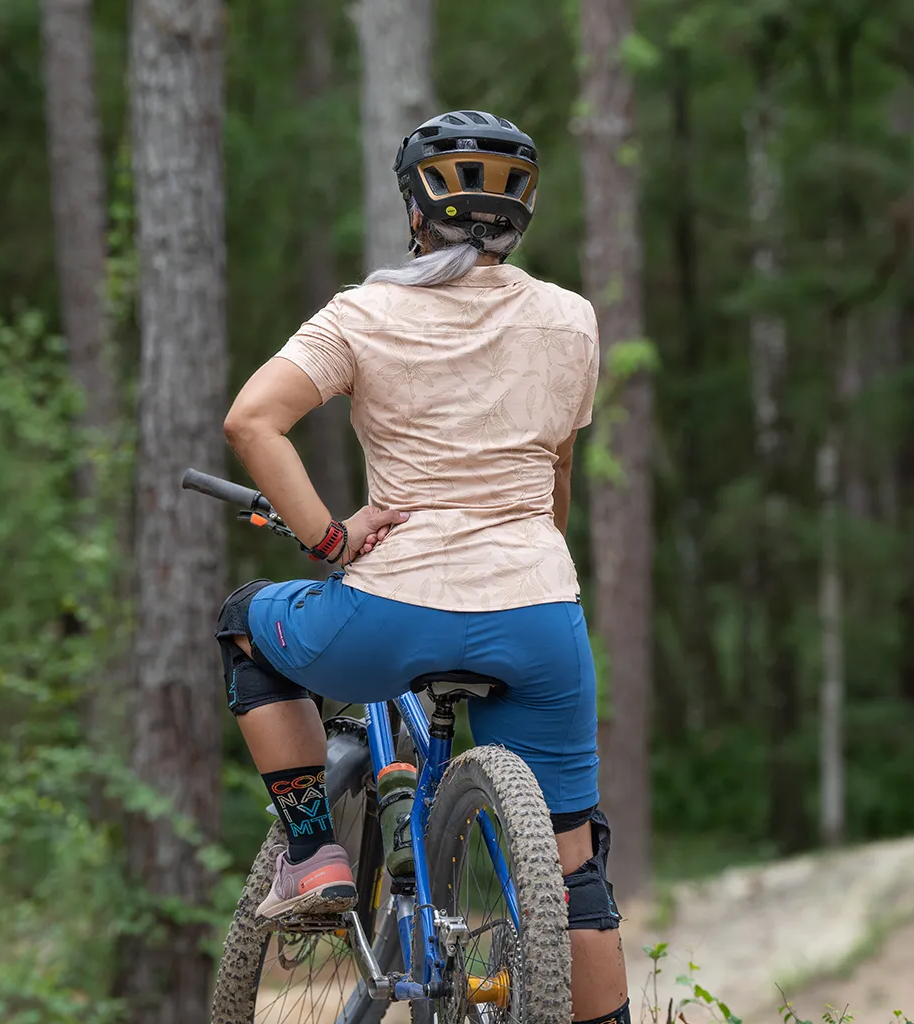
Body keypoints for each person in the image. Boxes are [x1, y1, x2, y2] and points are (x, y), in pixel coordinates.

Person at [217, 110, 630, 1024]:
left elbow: (252, 421)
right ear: (519, 218)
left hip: (394, 610)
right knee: (575, 868)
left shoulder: (365, 312)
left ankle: (317, 852)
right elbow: (553, 474)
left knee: (246, 621)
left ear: (416, 212)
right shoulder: (571, 321)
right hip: (540, 616)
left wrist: (331, 539)